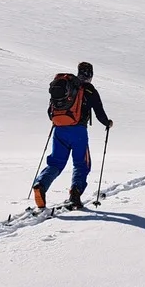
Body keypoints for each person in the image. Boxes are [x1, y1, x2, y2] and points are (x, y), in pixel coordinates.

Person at [34, 61, 112, 209]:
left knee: (56, 162)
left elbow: (50, 112)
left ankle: (41, 184)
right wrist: (107, 123)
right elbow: (99, 112)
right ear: (90, 75)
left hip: (59, 129)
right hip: (78, 132)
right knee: (82, 164)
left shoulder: (66, 87)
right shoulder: (89, 90)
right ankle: (75, 195)